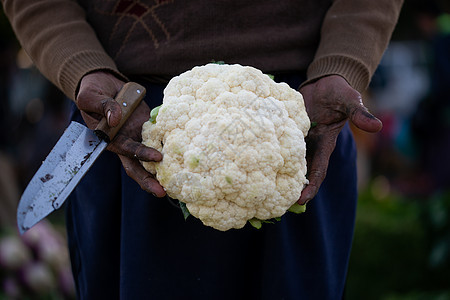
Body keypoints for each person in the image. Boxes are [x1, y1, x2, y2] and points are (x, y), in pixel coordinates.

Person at [2, 1, 403, 299]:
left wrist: (342, 63)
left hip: (301, 121)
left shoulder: (299, 125)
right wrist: (82, 65)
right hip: (126, 121)